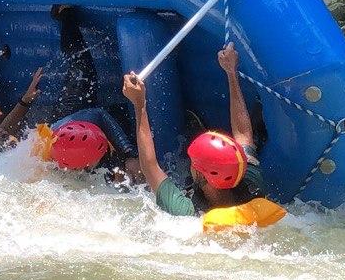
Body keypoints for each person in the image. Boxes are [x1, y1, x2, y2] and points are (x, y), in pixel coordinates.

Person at [122, 43, 285, 230]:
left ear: (199, 174)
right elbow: (243, 135)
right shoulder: (252, 185)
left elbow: (149, 166)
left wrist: (139, 105)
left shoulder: (186, 213)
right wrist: (231, 73)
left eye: (193, 163)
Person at [30, 5, 141, 182]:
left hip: (69, 115)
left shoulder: (47, 143)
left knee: (82, 68)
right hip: (74, 152)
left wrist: (129, 153)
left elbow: (98, 115)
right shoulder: (51, 174)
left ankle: (65, 15)